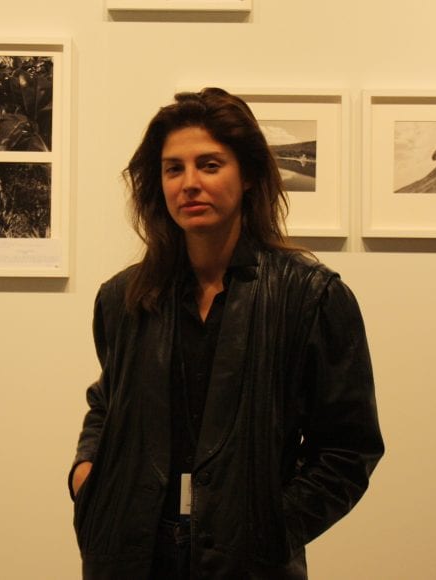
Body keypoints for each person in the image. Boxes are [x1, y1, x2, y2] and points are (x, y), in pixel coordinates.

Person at [68, 88, 383, 578]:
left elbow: (348, 448)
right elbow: (108, 401)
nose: (190, 184)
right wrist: (86, 473)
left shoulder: (311, 296)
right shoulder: (124, 297)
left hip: (247, 563)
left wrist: (273, 529)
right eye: (174, 169)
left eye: (210, 165)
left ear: (249, 174)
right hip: (131, 553)